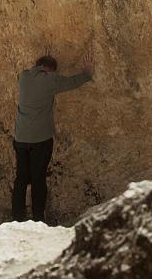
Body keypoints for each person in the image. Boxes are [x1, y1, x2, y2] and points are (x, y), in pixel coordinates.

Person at [12, 52, 94, 222]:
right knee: (38, 179)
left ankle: (17, 217)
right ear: (50, 70)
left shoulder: (23, 76)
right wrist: (87, 73)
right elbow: (72, 82)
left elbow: (33, 72)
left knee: (21, 179)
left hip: (20, 138)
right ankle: (37, 219)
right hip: (40, 140)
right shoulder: (50, 80)